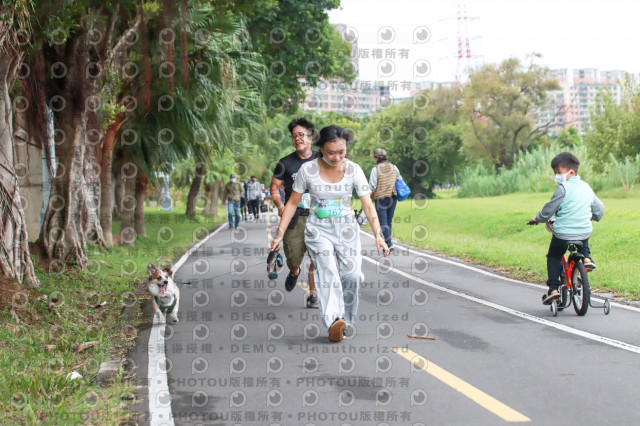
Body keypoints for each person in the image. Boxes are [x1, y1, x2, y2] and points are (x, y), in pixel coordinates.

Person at [271, 125, 389, 342]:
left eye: (341, 152)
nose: (336, 157)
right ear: (321, 148)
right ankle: (334, 320)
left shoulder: (354, 169)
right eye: (330, 152)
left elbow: (367, 204)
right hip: (318, 229)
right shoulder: (308, 170)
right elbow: (293, 202)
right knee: (328, 273)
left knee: (352, 276)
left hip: (346, 228)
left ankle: (346, 321)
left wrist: (378, 235)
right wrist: (279, 235)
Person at [529, 152, 604, 304]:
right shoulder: (586, 187)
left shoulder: (563, 189)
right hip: (584, 230)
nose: (557, 176)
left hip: (563, 233)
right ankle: (586, 258)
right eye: (555, 173)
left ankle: (554, 289)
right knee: (583, 236)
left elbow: (549, 209)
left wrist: (537, 218)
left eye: (559, 173)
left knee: (554, 256)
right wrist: (594, 217)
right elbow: (599, 209)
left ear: (571, 172)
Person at [270, 118, 320, 308]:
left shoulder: (321, 159)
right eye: (294, 136)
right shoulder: (284, 163)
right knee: (293, 257)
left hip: (318, 216)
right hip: (294, 217)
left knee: (317, 257)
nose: (297, 139)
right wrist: (281, 206)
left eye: (301, 135)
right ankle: (294, 271)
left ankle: (313, 293)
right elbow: (274, 188)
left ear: (310, 138)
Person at [368, 148, 402, 252]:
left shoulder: (375, 169)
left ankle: (389, 243)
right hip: (393, 196)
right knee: (388, 221)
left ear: (376, 158)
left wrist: (367, 199)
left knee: (383, 222)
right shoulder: (394, 167)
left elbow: (372, 186)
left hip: (380, 198)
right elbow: (399, 179)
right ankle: (387, 243)